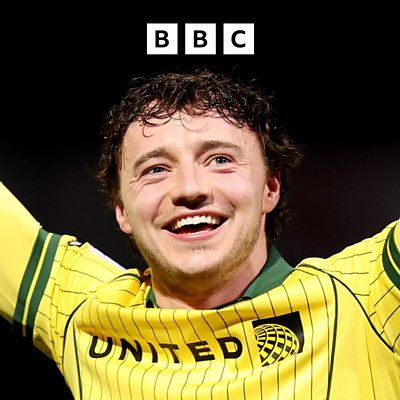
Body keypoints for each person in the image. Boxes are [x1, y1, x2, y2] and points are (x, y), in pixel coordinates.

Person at [0, 69, 398, 399]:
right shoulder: (78, 308)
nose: (190, 189)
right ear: (122, 210)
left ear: (270, 188)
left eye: (220, 160)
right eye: (156, 169)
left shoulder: (369, 296)